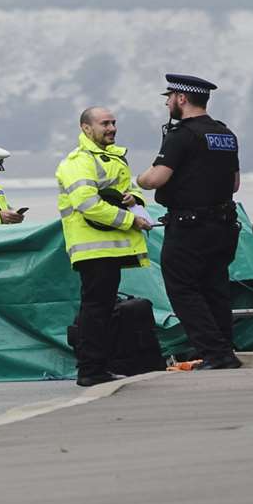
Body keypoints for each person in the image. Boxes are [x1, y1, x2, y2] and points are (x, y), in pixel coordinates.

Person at [137, 73, 243, 371]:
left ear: (182, 98)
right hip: (223, 225)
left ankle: (215, 353)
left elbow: (156, 178)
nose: (168, 102)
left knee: (183, 289)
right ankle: (225, 349)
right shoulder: (225, 133)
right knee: (215, 288)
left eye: (169, 97)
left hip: (190, 227)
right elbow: (234, 184)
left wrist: (139, 179)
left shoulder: (182, 134)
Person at [56, 107, 155, 387]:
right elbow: (86, 203)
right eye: (104, 124)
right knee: (95, 308)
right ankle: (90, 369)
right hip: (92, 248)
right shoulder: (78, 162)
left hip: (108, 248)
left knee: (101, 307)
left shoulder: (113, 158)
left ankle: (97, 367)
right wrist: (130, 219)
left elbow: (130, 189)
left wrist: (132, 198)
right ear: (86, 128)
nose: (111, 128)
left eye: (113, 123)